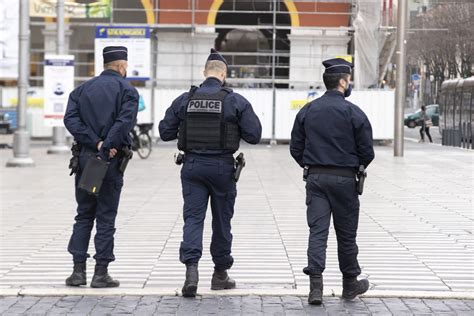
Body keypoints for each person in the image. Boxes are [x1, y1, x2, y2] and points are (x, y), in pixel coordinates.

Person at [159, 48, 262, 298]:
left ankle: (191, 273)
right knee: (221, 221)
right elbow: (254, 135)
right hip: (222, 169)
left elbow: (164, 131)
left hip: (192, 167)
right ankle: (219, 274)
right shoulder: (234, 100)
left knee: (193, 219)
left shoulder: (186, 99)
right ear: (223, 75)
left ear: (205, 73)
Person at [290, 58, 375, 305]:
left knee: (317, 232)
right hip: (345, 180)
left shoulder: (307, 110)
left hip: (315, 178)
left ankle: (315, 288)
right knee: (346, 235)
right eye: (348, 79)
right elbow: (367, 151)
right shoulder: (354, 112)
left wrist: (311, 165)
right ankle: (350, 284)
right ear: (342, 81)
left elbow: (296, 147)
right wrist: (355, 167)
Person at [63, 46, 139, 288]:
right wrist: (107, 146)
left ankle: (77, 272)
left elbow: (70, 120)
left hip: (86, 159)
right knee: (106, 216)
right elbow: (124, 122)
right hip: (109, 161)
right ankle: (100, 272)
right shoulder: (128, 91)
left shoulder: (82, 90)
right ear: (121, 66)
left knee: (84, 214)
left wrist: (95, 142)